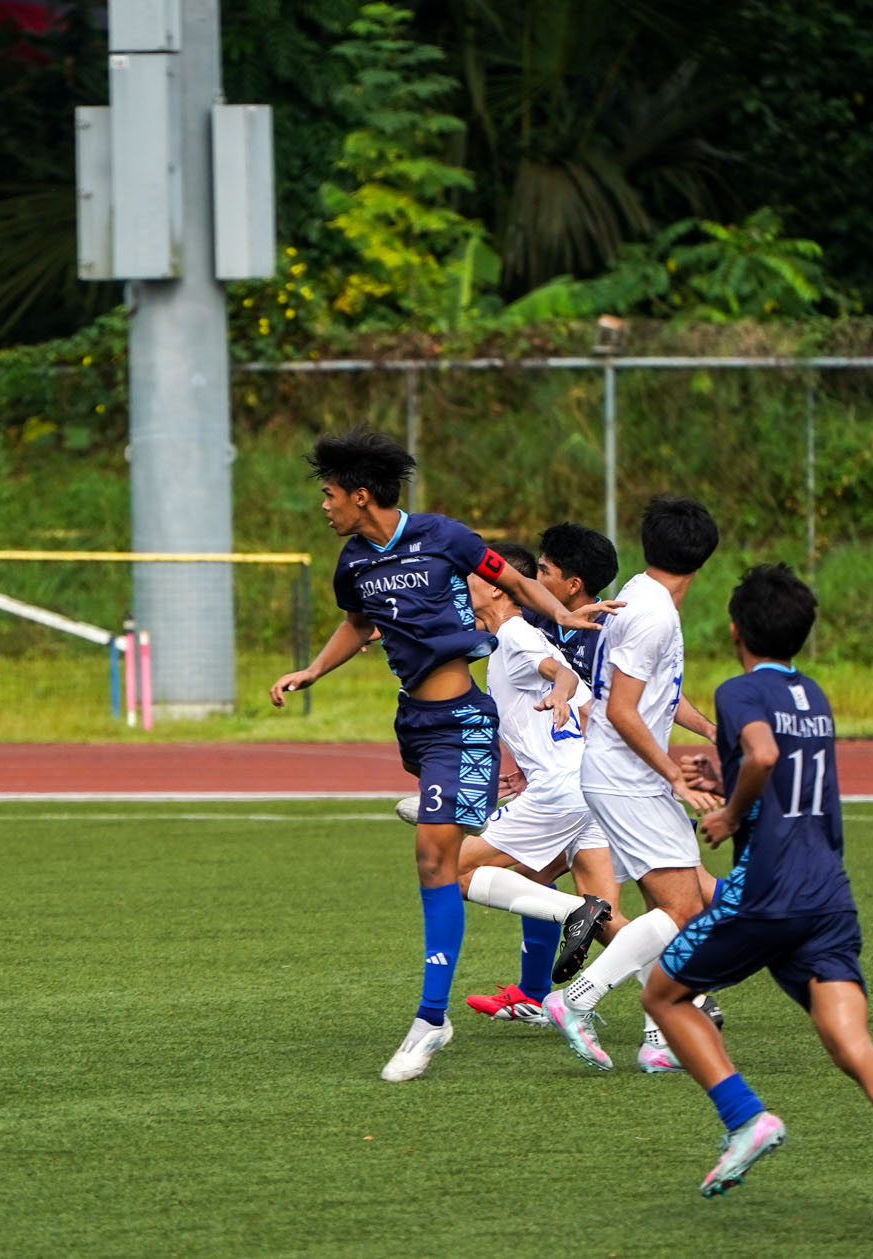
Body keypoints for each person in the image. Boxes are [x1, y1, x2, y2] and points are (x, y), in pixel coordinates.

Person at [269, 428, 610, 1083]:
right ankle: (511, 860)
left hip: (462, 723)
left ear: (360, 494)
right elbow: (360, 623)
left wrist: (565, 623)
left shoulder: (444, 537)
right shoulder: (353, 562)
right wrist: (313, 670)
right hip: (416, 725)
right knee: (445, 851)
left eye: (329, 494)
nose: (325, 506)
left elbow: (510, 578)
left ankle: (432, 1018)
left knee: (435, 855)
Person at [643, 564, 873, 1237]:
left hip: (769, 889)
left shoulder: (738, 690)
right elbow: (779, 762)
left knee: (662, 995)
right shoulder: (812, 694)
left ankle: (746, 1118)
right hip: (827, 894)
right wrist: (724, 771)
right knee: (851, 1042)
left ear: (735, 630)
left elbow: (761, 755)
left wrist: (727, 813)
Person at [544, 496, 725, 1075]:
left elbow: (654, 693)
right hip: (628, 779)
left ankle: (659, 1038)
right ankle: (577, 999)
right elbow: (622, 710)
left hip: (622, 775)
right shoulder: (655, 615)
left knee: (667, 906)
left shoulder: (640, 596)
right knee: (685, 908)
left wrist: (710, 731)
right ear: (702, 559)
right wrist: (675, 772)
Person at [441, 540, 626, 1026]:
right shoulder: (517, 635)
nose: (467, 580)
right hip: (588, 789)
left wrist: (559, 695)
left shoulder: (518, 636)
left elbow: (561, 675)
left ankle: (569, 914)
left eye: (476, 575)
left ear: (500, 588)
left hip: (560, 792)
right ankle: (691, 1000)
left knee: (446, 869)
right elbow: (586, 707)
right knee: (609, 921)